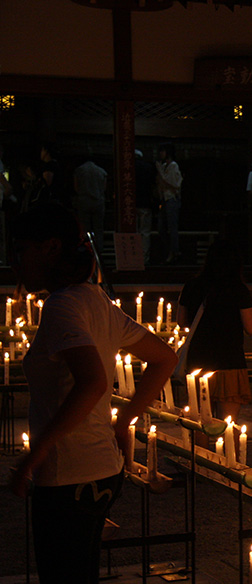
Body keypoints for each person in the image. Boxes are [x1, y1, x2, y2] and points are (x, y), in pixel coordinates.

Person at [8, 202, 177, 584]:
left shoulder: (62, 305)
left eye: (20, 250)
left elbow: (93, 382)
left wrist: (35, 454)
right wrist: (123, 422)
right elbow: (165, 358)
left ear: (50, 247)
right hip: (103, 470)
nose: (15, 263)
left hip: (69, 474)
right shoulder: (96, 299)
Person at [177, 239, 252, 429]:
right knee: (228, 426)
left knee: (200, 424)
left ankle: (201, 457)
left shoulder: (192, 285)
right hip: (230, 361)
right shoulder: (238, 289)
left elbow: (181, 321)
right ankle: (227, 458)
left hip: (199, 360)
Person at [72, 154, 108, 256]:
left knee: (84, 227)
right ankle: (99, 250)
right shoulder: (101, 171)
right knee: (98, 228)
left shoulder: (79, 170)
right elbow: (104, 188)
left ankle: (86, 250)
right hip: (98, 201)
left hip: (84, 200)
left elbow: (76, 187)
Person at [155, 143, 182, 264]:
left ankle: (174, 251)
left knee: (172, 227)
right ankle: (169, 250)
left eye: (162, 151)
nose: (160, 154)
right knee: (161, 227)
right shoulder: (165, 166)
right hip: (165, 200)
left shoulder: (173, 166)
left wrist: (160, 172)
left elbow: (173, 184)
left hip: (172, 199)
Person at [134, 149, 156, 264]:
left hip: (132, 203)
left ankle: (134, 257)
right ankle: (144, 258)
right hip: (145, 202)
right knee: (145, 232)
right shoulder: (148, 167)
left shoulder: (128, 168)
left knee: (134, 231)